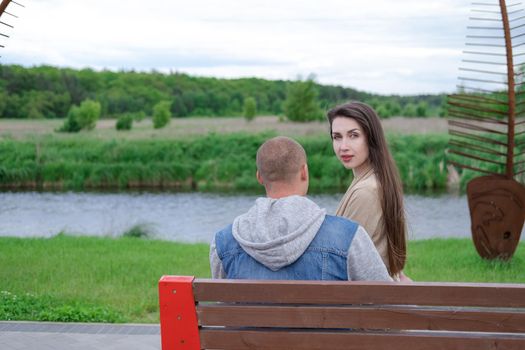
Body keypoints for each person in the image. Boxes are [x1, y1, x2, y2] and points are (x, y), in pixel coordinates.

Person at [210, 136, 392, 282]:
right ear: (304, 172)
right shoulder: (349, 236)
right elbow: (384, 301)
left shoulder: (223, 243)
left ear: (259, 177)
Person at [327, 101, 411, 281]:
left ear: (371, 137)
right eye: (337, 137)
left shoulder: (366, 191)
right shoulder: (375, 179)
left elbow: (340, 261)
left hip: (362, 300)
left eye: (353, 135)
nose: (343, 146)